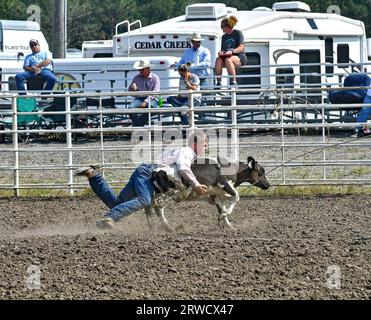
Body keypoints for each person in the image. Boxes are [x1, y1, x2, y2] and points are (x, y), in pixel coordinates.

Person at [75, 131, 209, 230]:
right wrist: (196, 185)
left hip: (145, 171)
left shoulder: (182, 151)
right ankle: (109, 218)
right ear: (196, 144)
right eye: (204, 145)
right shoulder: (187, 152)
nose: (206, 148)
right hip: (149, 174)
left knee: (118, 203)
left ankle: (94, 176)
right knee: (145, 200)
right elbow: (183, 168)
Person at [214, 16, 247, 89]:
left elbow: (242, 47)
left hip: (239, 56)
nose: (221, 28)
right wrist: (221, 52)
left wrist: (232, 51)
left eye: (222, 26)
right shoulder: (223, 36)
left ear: (227, 26)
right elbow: (223, 49)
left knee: (228, 59)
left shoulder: (238, 33)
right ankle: (218, 83)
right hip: (226, 56)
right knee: (218, 60)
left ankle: (233, 82)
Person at [128, 59, 160, 126]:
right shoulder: (136, 77)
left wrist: (146, 101)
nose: (140, 71)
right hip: (140, 98)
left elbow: (155, 92)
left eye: (142, 69)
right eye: (139, 70)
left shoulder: (155, 78)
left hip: (152, 99)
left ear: (148, 69)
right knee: (130, 108)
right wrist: (132, 88)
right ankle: (139, 125)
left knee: (152, 106)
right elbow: (130, 91)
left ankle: (138, 125)